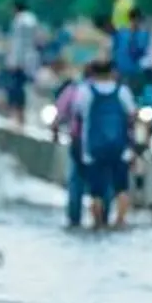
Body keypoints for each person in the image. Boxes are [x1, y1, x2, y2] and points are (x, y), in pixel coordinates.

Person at [70, 59, 136, 228]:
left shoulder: (85, 91)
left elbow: (77, 115)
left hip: (93, 149)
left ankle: (98, 222)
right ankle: (120, 221)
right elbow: (132, 116)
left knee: (96, 190)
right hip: (120, 148)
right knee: (121, 187)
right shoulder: (122, 91)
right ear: (112, 72)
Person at [54, 61, 96, 228]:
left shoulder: (74, 90)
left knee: (76, 180)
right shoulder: (116, 90)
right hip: (103, 146)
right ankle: (102, 218)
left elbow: (59, 115)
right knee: (102, 182)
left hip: (78, 142)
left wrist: (55, 133)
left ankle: (74, 217)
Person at [6, 0, 40, 124]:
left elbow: (17, 43)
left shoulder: (19, 21)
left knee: (17, 88)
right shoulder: (33, 19)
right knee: (29, 88)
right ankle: (28, 116)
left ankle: (19, 115)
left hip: (20, 60)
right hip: (32, 59)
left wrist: (14, 61)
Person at [113, 7, 151, 94]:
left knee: (135, 96)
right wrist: (114, 68)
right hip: (121, 71)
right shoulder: (121, 33)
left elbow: (141, 52)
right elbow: (115, 51)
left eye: (138, 20)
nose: (136, 22)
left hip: (136, 72)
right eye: (134, 19)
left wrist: (133, 36)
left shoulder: (144, 35)